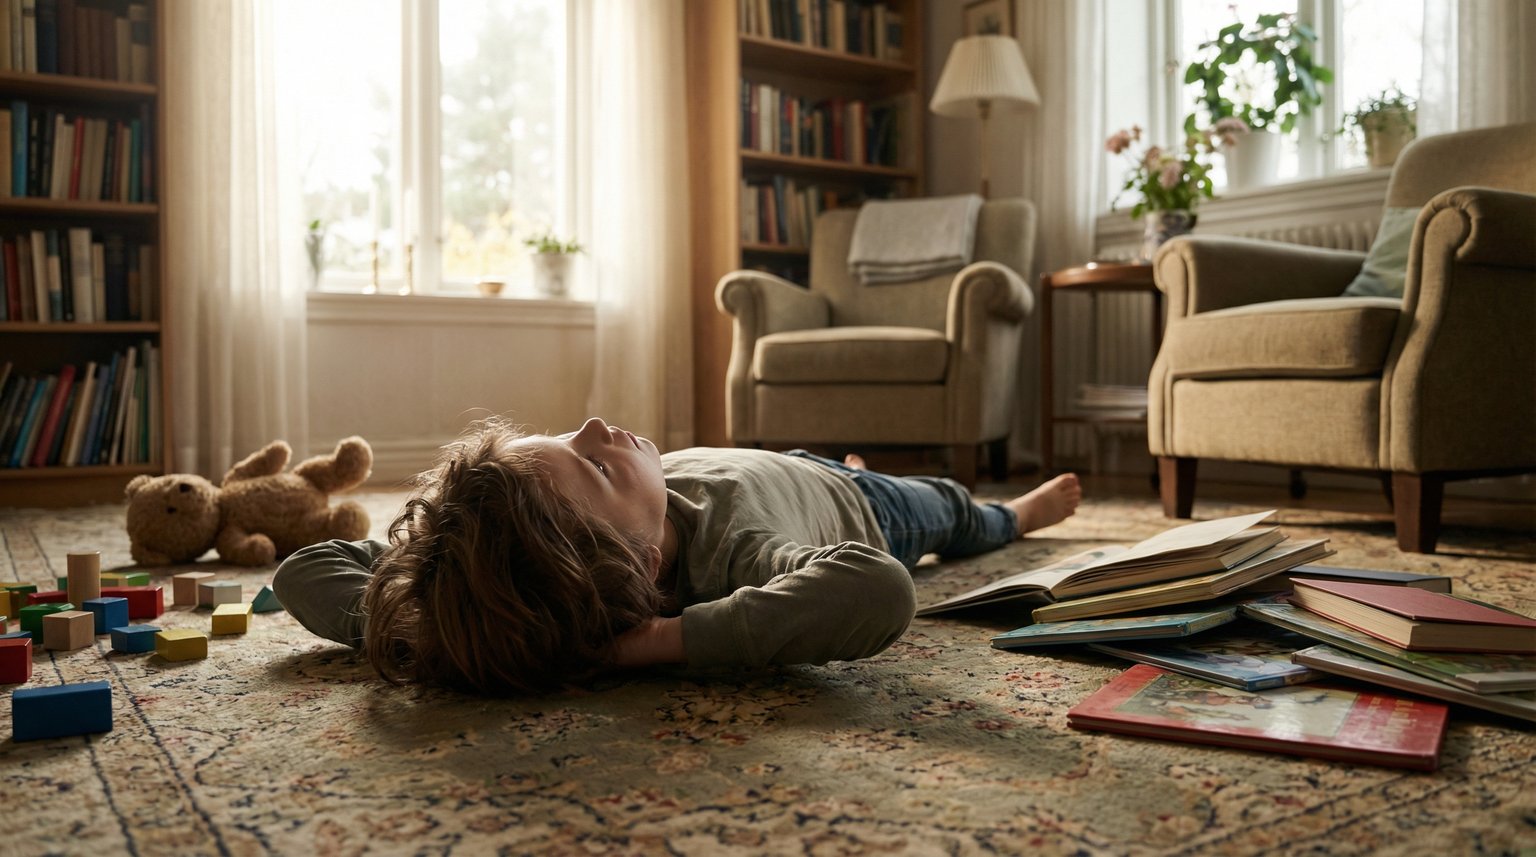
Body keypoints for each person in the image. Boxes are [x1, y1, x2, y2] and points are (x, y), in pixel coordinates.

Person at [273, 416, 1081, 696]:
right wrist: (657, 643)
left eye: (562, 438)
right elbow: (877, 588)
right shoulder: (739, 557)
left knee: (826, 462)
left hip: (768, 461)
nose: (594, 425)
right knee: (947, 506)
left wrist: (422, 620)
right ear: (647, 559)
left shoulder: (467, 594)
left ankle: (851, 464)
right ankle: (1013, 512)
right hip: (852, 504)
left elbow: (303, 570)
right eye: (592, 464)